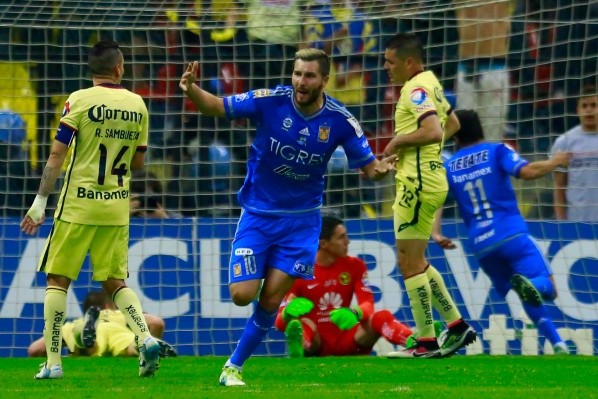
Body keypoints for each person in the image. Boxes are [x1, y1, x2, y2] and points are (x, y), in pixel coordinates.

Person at [179, 48, 397, 386]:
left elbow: (370, 167)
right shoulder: (271, 100)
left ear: (325, 80)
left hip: (301, 224)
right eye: (297, 74)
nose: (301, 82)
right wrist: (192, 88)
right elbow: (218, 107)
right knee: (241, 295)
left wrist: (381, 170)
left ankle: (233, 367)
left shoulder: (340, 120)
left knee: (270, 299)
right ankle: (263, 265)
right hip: (258, 215)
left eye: (309, 76)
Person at [20, 39, 161, 379]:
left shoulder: (79, 101)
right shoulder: (138, 104)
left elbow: (56, 156)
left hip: (78, 204)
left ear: (92, 70)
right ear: (119, 68)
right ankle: (144, 337)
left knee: (58, 278)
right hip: (115, 205)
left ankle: (53, 362)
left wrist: (39, 203)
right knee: (115, 280)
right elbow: (138, 162)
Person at [433, 109, 571, 354]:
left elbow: (436, 200)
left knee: (522, 291)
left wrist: (436, 232)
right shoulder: (497, 150)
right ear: (481, 129)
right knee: (546, 285)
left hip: (482, 247)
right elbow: (526, 172)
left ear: (455, 136)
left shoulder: (449, 166)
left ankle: (557, 343)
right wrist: (555, 162)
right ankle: (531, 286)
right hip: (511, 235)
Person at [381, 32, 476, 358]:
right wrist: (420, 151)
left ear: (409, 62)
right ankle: (456, 326)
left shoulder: (416, 88)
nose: (385, 67)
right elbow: (452, 122)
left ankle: (425, 341)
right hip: (427, 178)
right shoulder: (430, 81)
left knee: (409, 263)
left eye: (390, 62)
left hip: (417, 185)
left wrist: (398, 143)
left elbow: (435, 130)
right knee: (415, 260)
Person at [274, 216, 440, 357]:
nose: (347, 241)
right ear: (324, 244)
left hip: (348, 340)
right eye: (341, 237)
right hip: (316, 345)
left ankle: (417, 344)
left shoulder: (355, 266)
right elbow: (280, 324)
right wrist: (288, 313)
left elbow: (368, 304)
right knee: (301, 323)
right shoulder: (299, 271)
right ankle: (301, 348)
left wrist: (355, 312)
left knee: (380, 316)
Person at [28, 290, 177, 358]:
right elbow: (157, 323)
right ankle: (144, 349)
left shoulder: (72, 324)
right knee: (131, 347)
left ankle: (83, 346)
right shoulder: (119, 314)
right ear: (108, 306)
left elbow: (35, 350)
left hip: (77, 330)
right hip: (115, 330)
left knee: (79, 347)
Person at [453, 0, 511, 143]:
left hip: (495, 68)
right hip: (466, 66)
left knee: (493, 132)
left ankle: (492, 164)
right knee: (465, 131)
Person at [550, 84, 598, 222]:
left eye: (594, 105)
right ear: (577, 110)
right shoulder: (564, 142)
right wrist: (561, 223)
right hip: (576, 225)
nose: (589, 110)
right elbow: (559, 188)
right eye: (584, 106)